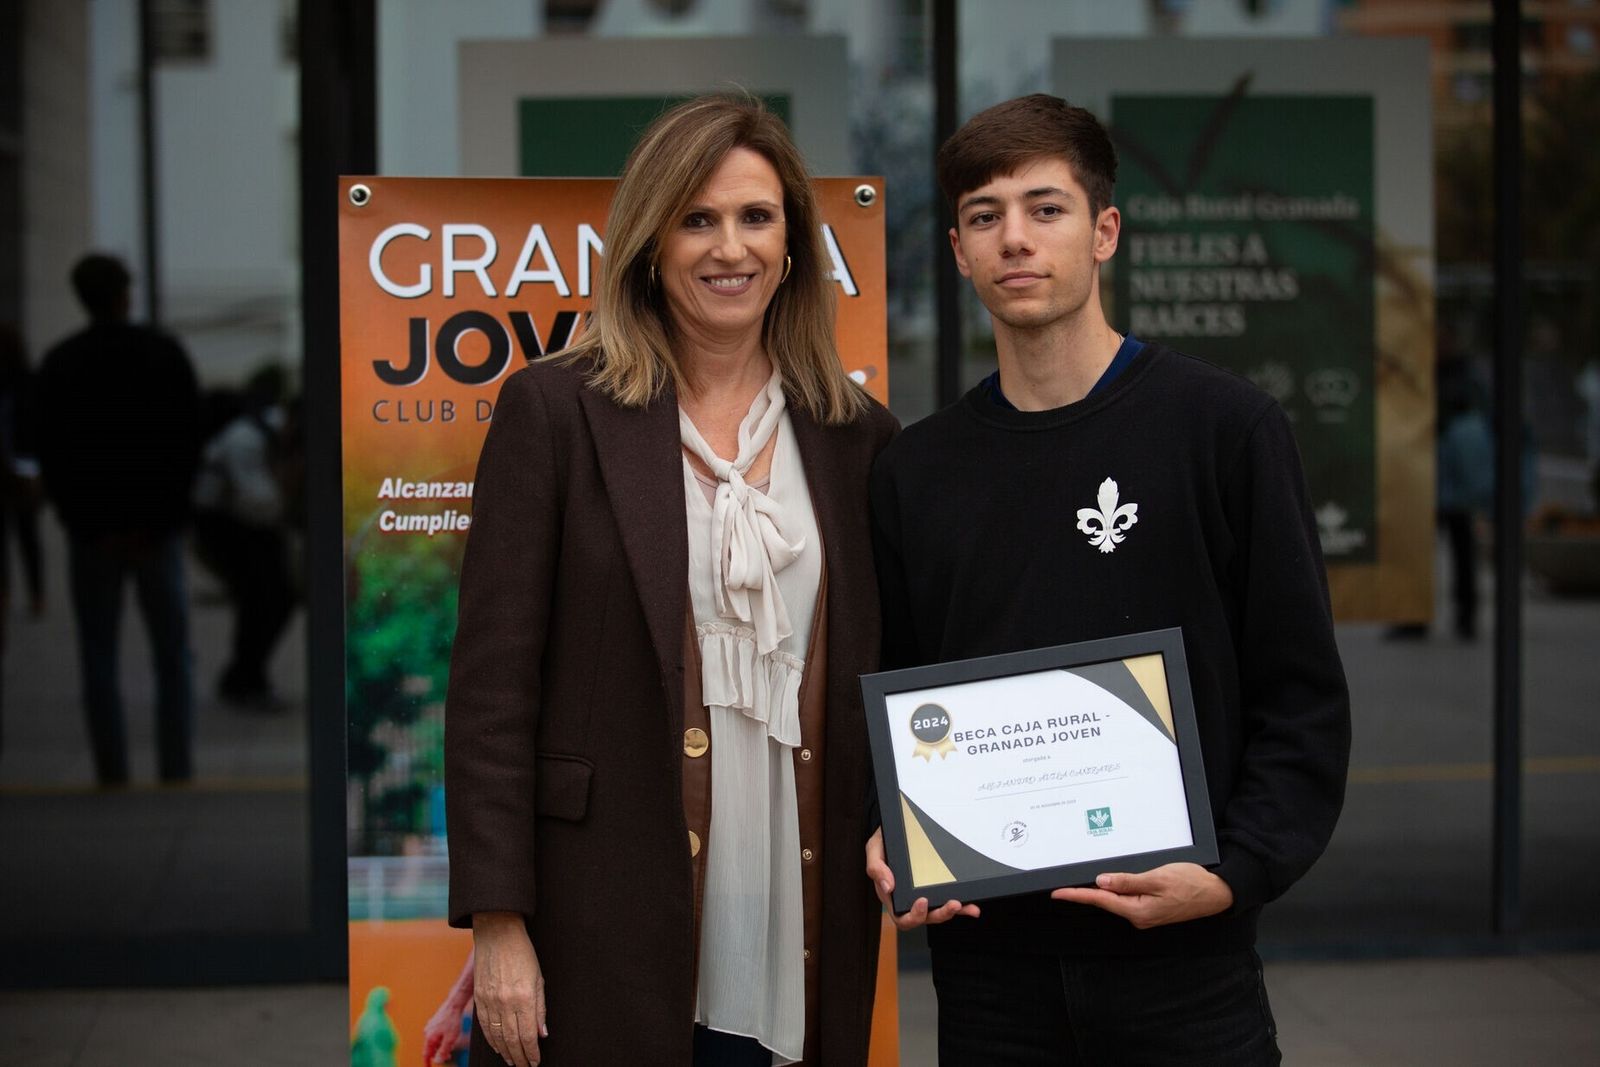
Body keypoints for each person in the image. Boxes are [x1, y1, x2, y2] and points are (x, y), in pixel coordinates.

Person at [865, 95, 1350, 1064]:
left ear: (1104, 231)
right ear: (958, 251)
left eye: (1045, 208)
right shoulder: (914, 471)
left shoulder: (1223, 431)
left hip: (1183, 959)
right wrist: (887, 827)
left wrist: (1233, 871)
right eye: (983, 214)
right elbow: (888, 681)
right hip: (989, 970)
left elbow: (1299, 694)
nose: (1015, 238)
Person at [445, 93, 897, 1066]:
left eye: (754, 216)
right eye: (696, 218)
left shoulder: (855, 434)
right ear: (650, 241)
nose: (727, 247)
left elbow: (892, 667)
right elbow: (491, 693)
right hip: (597, 916)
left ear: (791, 243)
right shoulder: (555, 412)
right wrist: (498, 923)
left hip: (800, 915)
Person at [37, 254, 201, 785]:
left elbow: (53, 453)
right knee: (173, 657)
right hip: (156, 532)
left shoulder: (62, 362)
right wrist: (160, 521)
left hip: (93, 535)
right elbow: (186, 443)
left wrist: (85, 522)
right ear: (124, 294)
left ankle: (112, 769)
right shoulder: (162, 354)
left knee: (99, 655)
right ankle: (175, 767)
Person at [192, 364, 297, 707]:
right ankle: (245, 677)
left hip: (236, 526)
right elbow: (260, 503)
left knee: (268, 600)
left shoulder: (254, 435)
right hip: (229, 527)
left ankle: (245, 674)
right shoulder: (247, 440)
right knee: (265, 600)